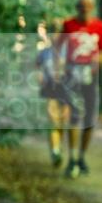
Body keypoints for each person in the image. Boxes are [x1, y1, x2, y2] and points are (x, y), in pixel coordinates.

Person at [54, 0, 102, 178]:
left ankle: (82, 157)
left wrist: (94, 61)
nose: (84, 8)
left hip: (91, 80)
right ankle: (72, 157)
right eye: (81, 5)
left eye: (87, 5)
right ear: (77, 7)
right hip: (71, 79)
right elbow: (58, 49)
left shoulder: (100, 27)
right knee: (74, 118)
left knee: (89, 121)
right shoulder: (68, 25)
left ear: (92, 7)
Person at [36, 19, 69, 168]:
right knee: (53, 121)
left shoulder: (68, 51)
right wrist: (39, 76)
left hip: (66, 91)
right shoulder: (44, 52)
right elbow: (37, 67)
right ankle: (55, 150)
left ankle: (57, 147)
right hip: (50, 90)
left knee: (62, 123)